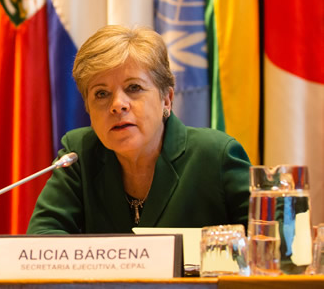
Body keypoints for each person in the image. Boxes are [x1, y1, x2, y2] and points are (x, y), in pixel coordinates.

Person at [27, 25, 251, 235]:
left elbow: (268, 240)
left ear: (166, 99)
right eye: (101, 93)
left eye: (134, 88)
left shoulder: (215, 155)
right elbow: (43, 238)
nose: (117, 105)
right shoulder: (79, 155)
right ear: (88, 108)